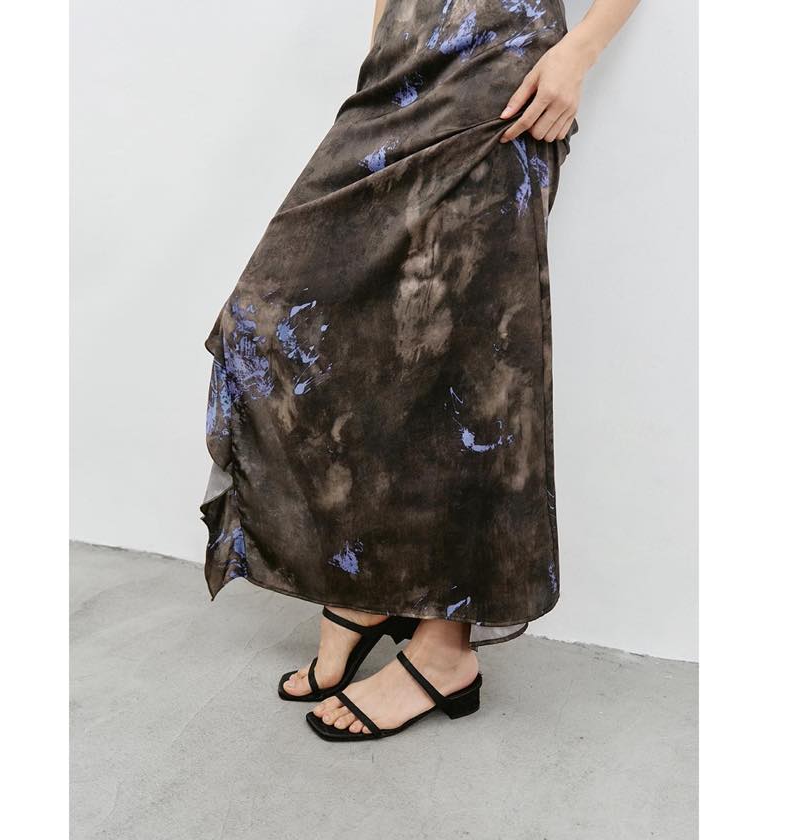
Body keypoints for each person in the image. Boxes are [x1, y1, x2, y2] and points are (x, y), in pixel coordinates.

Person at [201, 0, 640, 741]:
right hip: (395, 77)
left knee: (465, 367)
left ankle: (445, 652)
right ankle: (367, 589)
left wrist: (579, 52)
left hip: (502, 81)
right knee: (281, 321)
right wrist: (381, 49)